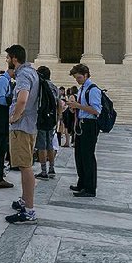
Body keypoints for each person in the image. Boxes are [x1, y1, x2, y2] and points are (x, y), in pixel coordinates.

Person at [4, 44, 40, 224]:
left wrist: (13, 117)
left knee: (25, 167)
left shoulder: (24, 75)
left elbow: (23, 98)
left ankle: (29, 211)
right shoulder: (33, 72)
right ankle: (25, 201)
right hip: (30, 125)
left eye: (8, 58)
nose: (7, 61)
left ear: (14, 58)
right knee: (26, 165)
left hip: (22, 126)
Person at [66, 63, 103, 198]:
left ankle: (90, 188)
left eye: (79, 77)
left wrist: (78, 105)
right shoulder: (82, 89)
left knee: (88, 157)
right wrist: (74, 107)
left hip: (89, 125)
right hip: (81, 124)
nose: (77, 80)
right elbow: (82, 107)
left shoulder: (92, 89)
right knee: (79, 156)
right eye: (76, 78)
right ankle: (82, 183)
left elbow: (96, 110)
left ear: (86, 75)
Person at [34, 66, 59, 180]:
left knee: (41, 146)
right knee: (50, 144)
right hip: (52, 118)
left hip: (42, 119)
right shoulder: (54, 87)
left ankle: (43, 171)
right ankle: (52, 169)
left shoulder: (41, 87)